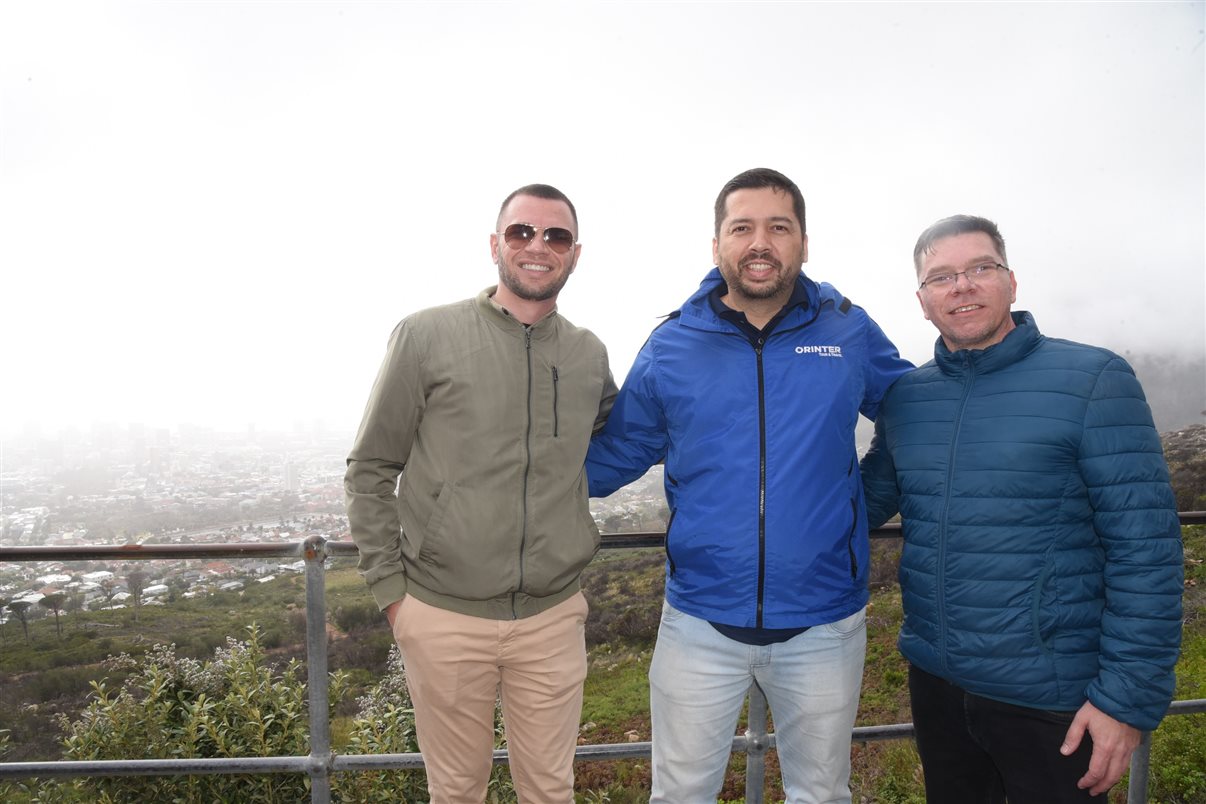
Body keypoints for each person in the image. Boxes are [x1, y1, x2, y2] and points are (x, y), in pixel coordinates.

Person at [586, 167, 913, 803]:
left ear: (804, 243)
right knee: (680, 795)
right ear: (717, 246)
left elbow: (912, 417)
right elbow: (621, 450)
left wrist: (863, 504)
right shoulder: (672, 342)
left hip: (824, 622)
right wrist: (510, 474)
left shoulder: (847, 330)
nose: (759, 242)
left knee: (821, 795)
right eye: (742, 227)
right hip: (698, 621)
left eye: (778, 227)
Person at [860, 214, 1184, 803]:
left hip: (1052, 698)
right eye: (941, 277)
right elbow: (858, 504)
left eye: (979, 268)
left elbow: (1147, 551)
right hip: (938, 687)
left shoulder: (1093, 379)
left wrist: (1126, 698)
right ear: (922, 301)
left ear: (1011, 281)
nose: (961, 286)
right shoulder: (908, 398)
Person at [344, 183, 617, 803]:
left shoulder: (587, 354)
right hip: (442, 614)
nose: (537, 246)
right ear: (495, 244)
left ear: (576, 253)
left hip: (552, 616)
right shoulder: (426, 336)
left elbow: (613, 439)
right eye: (522, 232)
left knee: (551, 791)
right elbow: (370, 466)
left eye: (556, 236)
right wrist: (395, 597)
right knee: (458, 792)